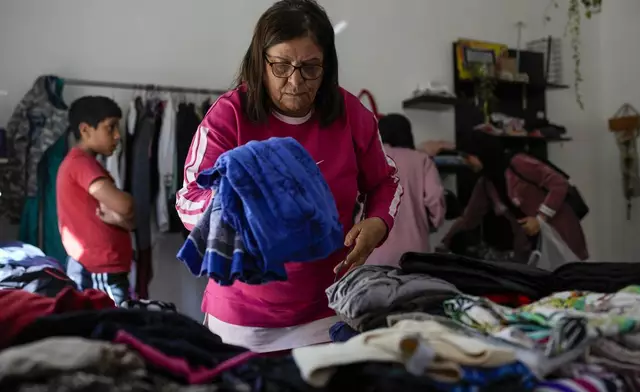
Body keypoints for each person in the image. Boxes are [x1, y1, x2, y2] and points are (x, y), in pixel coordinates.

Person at [175, 0, 401, 352]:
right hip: (241, 318)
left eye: (310, 68)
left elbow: (386, 181)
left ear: (327, 67)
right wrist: (233, 209)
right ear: (259, 62)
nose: (295, 81)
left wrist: (378, 222)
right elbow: (188, 198)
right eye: (281, 66)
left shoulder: (352, 115)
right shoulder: (228, 116)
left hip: (328, 310)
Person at [438, 131, 588, 261]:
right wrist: (444, 244)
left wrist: (540, 219)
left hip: (559, 235)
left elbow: (558, 184)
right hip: (530, 247)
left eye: (467, 156)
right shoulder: (487, 183)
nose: (465, 162)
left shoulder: (518, 163)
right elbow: (469, 218)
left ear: (480, 153)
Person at [56, 96, 135, 305]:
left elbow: (128, 219)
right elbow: (125, 205)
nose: (118, 135)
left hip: (103, 269)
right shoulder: (81, 164)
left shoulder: (87, 164)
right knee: (114, 331)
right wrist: (125, 209)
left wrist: (122, 218)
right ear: (85, 130)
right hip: (99, 271)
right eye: (110, 128)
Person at [366, 114, 446, 266]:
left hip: (371, 252)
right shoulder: (421, 160)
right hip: (414, 255)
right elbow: (435, 197)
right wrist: (435, 223)